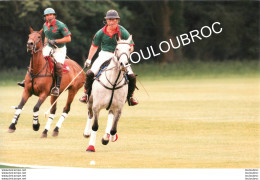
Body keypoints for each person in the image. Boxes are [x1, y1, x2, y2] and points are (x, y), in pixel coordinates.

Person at [79, 9, 138, 106]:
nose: (111, 22)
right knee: (90, 73)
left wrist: (124, 52)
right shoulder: (100, 33)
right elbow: (94, 46)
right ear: (106, 21)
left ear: (117, 20)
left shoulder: (123, 32)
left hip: (119, 56)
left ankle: (130, 97)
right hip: (104, 54)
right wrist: (89, 59)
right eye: (109, 20)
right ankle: (86, 94)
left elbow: (131, 47)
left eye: (113, 20)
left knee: (131, 76)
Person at [18, 8, 71, 96]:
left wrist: (56, 41)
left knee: (58, 65)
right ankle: (28, 80)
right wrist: (46, 44)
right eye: (46, 15)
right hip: (49, 47)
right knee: (36, 57)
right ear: (45, 17)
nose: (48, 17)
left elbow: (68, 38)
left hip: (59, 49)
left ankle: (57, 87)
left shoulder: (61, 25)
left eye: (50, 15)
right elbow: (46, 36)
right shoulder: (45, 25)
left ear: (54, 15)